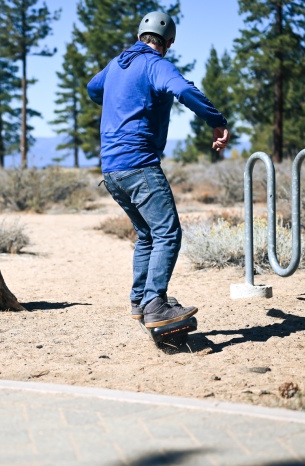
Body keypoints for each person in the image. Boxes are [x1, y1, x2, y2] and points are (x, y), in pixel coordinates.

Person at [87, 11, 229, 329]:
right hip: (139, 165)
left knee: (147, 235)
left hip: (111, 171)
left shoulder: (116, 64)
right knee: (168, 232)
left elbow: (92, 89)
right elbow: (185, 91)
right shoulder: (156, 64)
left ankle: (139, 302)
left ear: (141, 36)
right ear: (168, 43)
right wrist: (217, 121)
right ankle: (154, 303)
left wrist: (120, 99)